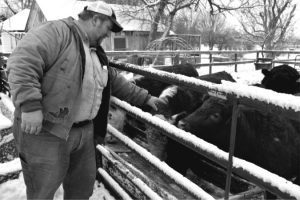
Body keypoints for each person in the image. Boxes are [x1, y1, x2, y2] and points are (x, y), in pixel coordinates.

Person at [7, 1, 165, 199]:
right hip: (47, 132)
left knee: (81, 189)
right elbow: (21, 62)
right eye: (108, 28)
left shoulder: (95, 52)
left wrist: (144, 98)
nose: (109, 35)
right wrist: (29, 106)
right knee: (42, 191)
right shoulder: (57, 32)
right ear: (96, 19)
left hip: (84, 132)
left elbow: (113, 81)